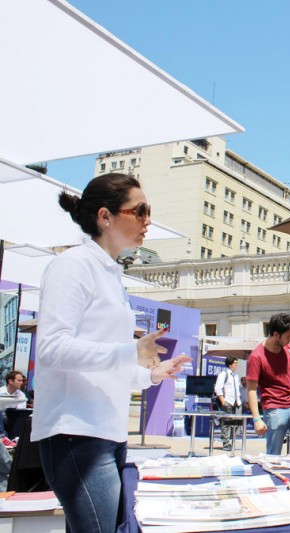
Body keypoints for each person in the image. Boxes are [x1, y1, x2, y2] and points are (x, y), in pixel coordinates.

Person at [31, 173, 190, 533]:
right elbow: (53, 348)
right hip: (76, 433)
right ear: (105, 216)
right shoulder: (72, 266)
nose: (148, 220)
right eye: (140, 211)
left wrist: (151, 374)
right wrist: (130, 351)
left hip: (106, 433)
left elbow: (110, 362)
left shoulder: (109, 274)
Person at [247, 313, 290, 455]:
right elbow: (251, 389)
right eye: (288, 336)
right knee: (273, 454)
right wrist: (257, 418)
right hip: (275, 408)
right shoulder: (256, 357)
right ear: (276, 334)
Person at [214, 356, 242, 451]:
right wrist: (223, 401)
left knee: (238, 422)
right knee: (226, 422)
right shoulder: (223, 374)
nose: (237, 365)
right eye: (235, 363)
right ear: (230, 365)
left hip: (236, 402)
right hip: (228, 401)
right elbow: (218, 388)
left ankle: (232, 439)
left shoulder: (236, 375)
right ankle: (226, 443)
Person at [0, 371, 27, 446]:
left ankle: (13, 439)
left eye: (22, 381)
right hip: (2, 416)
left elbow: (21, 411)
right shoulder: (0, 392)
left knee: (22, 416)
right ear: (10, 381)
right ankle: (2, 436)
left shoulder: (21, 395)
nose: (21, 383)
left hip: (14, 417)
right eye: (19, 380)